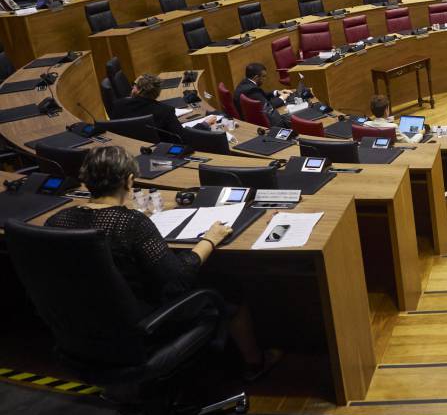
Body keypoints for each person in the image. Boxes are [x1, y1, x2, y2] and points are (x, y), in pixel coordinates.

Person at [45, 146, 280, 380]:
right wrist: (210, 239)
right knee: (229, 289)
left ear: (85, 181)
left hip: (83, 328)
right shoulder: (131, 223)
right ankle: (255, 363)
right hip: (143, 328)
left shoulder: (56, 221)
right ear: (129, 180)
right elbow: (178, 279)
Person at [111, 74, 186, 142]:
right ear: (157, 93)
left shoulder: (118, 104)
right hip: (156, 149)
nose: (132, 87)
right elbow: (180, 137)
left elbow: (112, 130)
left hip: (125, 146)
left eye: (135, 85)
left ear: (139, 90)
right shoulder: (165, 110)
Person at [234, 62, 292, 127]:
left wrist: (276, 92)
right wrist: (281, 98)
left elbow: (261, 95)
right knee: (290, 118)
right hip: (260, 123)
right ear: (256, 77)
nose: (265, 79)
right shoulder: (252, 91)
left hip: (251, 118)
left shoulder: (244, 83)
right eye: (263, 76)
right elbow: (267, 106)